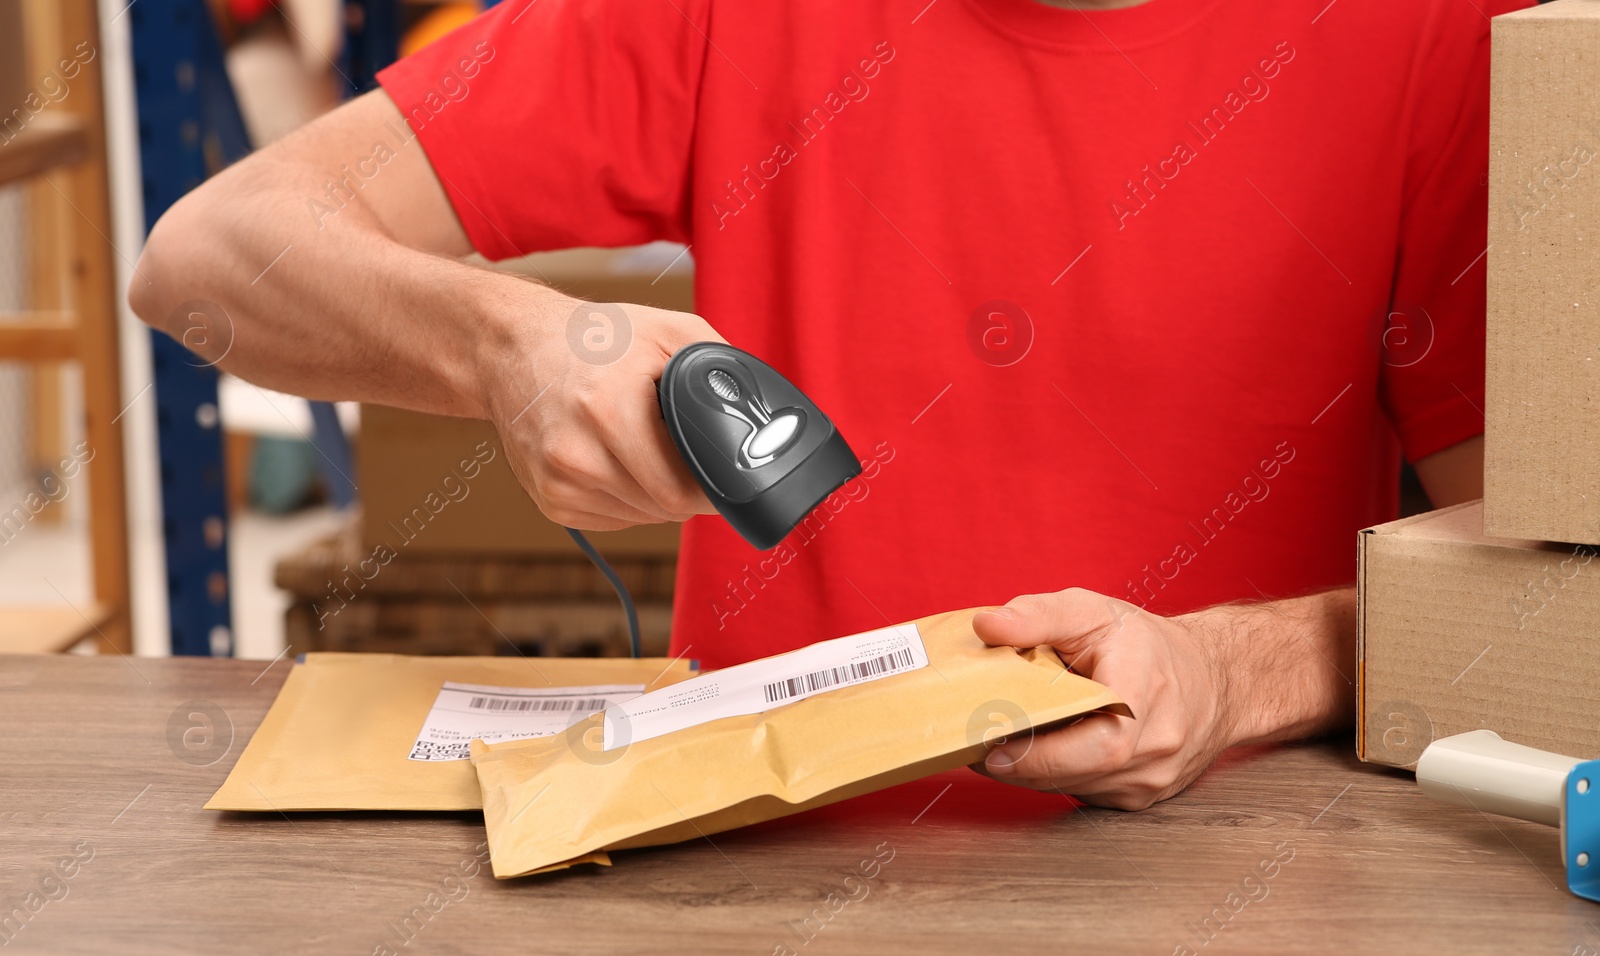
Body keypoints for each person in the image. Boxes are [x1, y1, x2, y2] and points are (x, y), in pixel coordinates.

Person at [129, 0, 1523, 810]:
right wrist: (507, 342)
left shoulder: (1448, 43)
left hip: (1252, 896)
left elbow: (1535, 600)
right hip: (757, 891)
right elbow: (202, 256)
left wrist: (1242, 672)